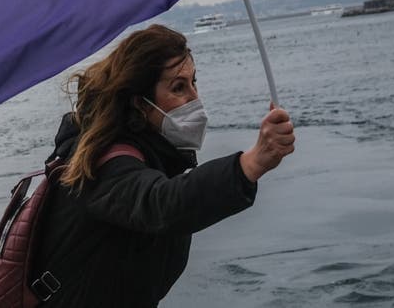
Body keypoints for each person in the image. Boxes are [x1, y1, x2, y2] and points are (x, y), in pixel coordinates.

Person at [33, 24, 295, 307]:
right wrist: (252, 162)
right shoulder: (100, 164)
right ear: (141, 104)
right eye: (178, 87)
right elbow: (162, 204)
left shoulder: (153, 159)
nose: (195, 98)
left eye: (194, 82)